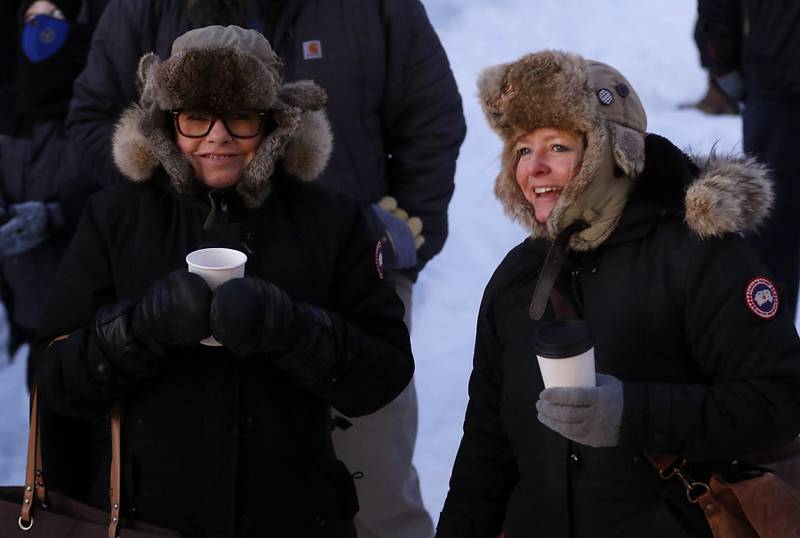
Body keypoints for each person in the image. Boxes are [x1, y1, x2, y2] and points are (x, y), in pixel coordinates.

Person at [66, 3, 465, 536]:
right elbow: (93, 115)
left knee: (376, 481)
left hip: (345, 268)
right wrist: (167, 196)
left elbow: (430, 113)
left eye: (240, 119)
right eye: (197, 119)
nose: (220, 135)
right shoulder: (143, 6)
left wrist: (404, 228)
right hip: (169, 266)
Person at [434, 50, 800, 538]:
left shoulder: (699, 256)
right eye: (522, 150)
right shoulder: (516, 278)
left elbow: (779, 402)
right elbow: (487, 443)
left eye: (558, 147)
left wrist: (634, 414)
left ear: (612, 153)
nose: (535, 167)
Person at [0, 0, 106, 360]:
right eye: (31, 17)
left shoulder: (100, 110)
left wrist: (55, 216)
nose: (41, 29)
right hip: (28, 312)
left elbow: (120, 193)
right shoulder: (9, 105)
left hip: (92, 316)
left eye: (55, 17)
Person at [695, 0, 800, 320]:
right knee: (772, 231)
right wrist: (723, 66)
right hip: (777, 87)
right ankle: (769, 352)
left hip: (772, 82)